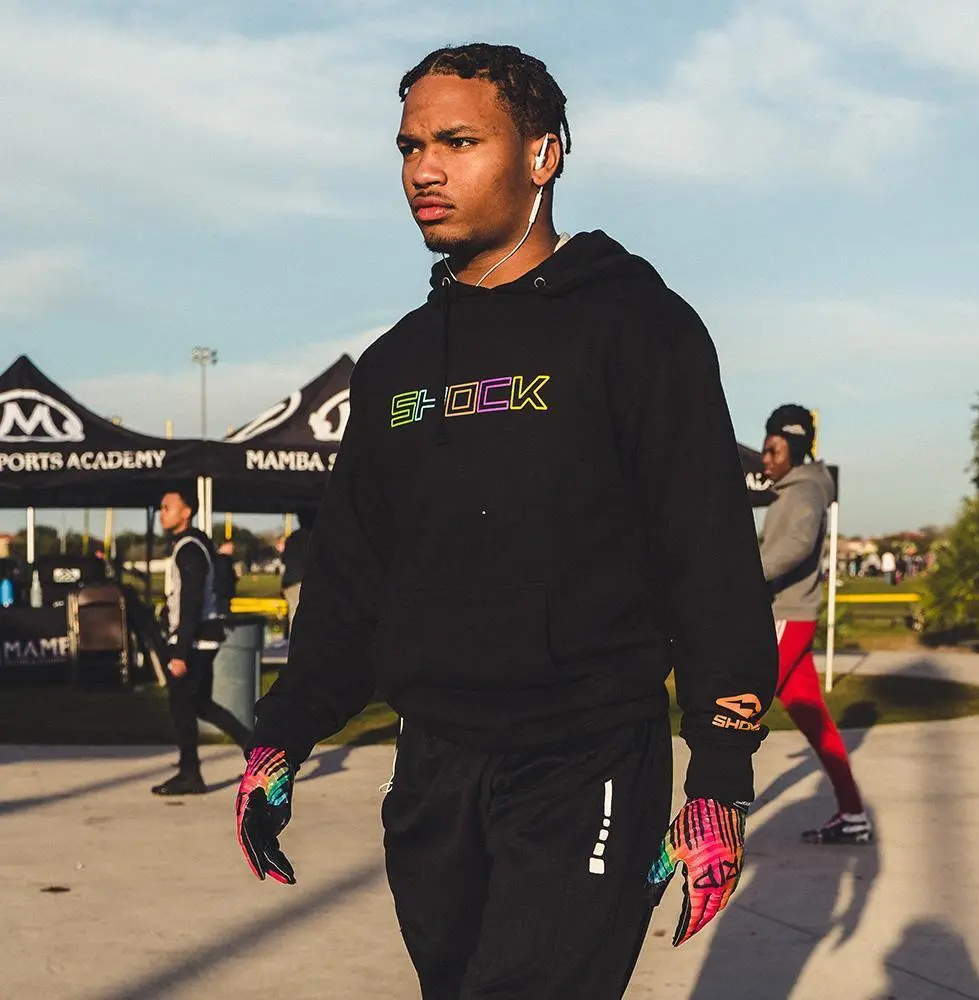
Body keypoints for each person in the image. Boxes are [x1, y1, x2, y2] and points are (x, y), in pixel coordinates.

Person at [235, 44, 777, 999]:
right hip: (433, 769)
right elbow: (354, 569)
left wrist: (720, 776)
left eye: (458, 142)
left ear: (543, 155)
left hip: (586, 756)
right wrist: (283, 732)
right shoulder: (398, 363)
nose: (424, 171)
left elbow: (708, 554)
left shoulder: (637, 326)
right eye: (410, 147)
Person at [760, 404, 872, 845]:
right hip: (793, 615)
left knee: (733, 711)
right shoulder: (792, 489)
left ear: (794, 447)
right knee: (816, 722)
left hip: (787, 617)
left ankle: (704, 831)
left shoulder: (804, 490)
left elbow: (797, 545)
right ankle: (853, 814)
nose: (766, 459)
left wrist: (742, 574)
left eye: (773, 449)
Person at [153, 487, 250, 796]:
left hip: (195, 641)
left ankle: (190, 773)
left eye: (168, 507)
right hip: (200, 637)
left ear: (187, 512)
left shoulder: (189, 549)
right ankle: (258, 751)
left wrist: (180, 652)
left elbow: (192, 601)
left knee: (181, 704)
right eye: (161, 508)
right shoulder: (191, 544)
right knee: (200, 704)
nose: (161, 513)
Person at [279, 509, 315, 629]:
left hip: (289, 581)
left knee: (294, 614)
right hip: (300, 581)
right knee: (299, 616)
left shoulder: (292, 537)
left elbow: (284, 559)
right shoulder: (309, 537)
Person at [214, 539, 238, 614]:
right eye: (231, 545)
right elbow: (225, 576)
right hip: (223, 594)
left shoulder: (216, 558)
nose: (233, 548)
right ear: (224, 545)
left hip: (221, 594)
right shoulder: (223, 560)